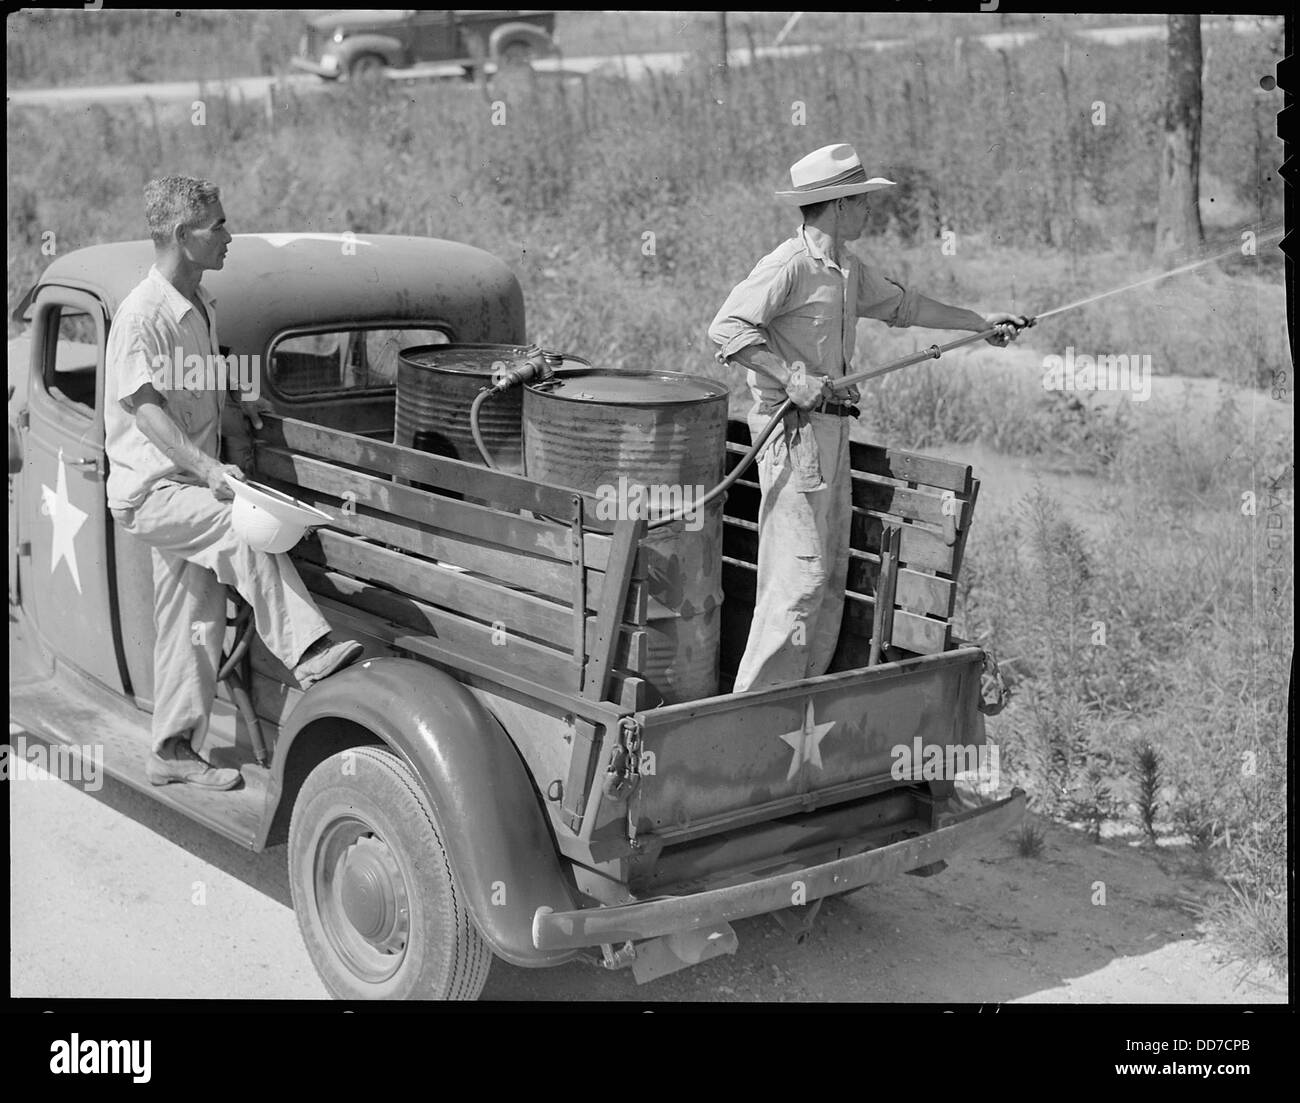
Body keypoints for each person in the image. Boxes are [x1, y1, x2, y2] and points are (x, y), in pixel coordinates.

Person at [708, 143, 1026, 693]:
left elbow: (906, 306)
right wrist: (790, 377)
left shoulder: (847, 270)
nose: (869, 212)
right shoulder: (789, 266)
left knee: (827, 583)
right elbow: (727, 329)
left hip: (831, 430)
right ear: (836, 206)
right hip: (790, 434)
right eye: (862, 201)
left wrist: (978, 323)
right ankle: (752, 712)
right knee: (799, 581)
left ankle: (801, 707)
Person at [106, 176, 363, 790]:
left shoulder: (200, 303)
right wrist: (210, 470)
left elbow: (203, 386)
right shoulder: (143, 314)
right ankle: (308, 652)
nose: (229, 234)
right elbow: (145, 410)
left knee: (192, 615)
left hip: (190, 481)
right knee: (243, 529)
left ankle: (171, 749)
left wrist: (234, 420)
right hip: (156, 491)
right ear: (180, 235)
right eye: (216, 225)